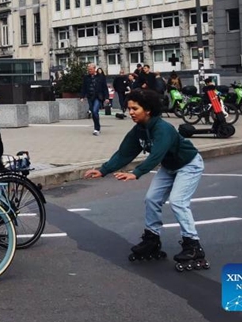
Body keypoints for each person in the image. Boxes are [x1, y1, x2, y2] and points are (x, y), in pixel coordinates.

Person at [83, 89, 207, 268]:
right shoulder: (139, 130)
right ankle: (152, 240)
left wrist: (136, 172)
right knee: (151, 199)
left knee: (178, 201)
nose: (130, 112)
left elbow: (156, 155)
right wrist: (103, 170)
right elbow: (124, 153)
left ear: (147, 109)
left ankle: (193, 245)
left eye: (135, 108)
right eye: (129, 108)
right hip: (169, 166)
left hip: (189, 164)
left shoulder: (163, 129)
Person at [80, 63, 108, 136]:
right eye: (88, 69)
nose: (89, 71)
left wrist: (107, 98)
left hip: (98, 97)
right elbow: (84, 87)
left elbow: (105, 88)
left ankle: (96, 128)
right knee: (93, 113)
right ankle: (97, 125)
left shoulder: (100, 77)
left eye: (91, 69)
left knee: (95, 111)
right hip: (90, 97)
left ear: (94, 69)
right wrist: (82, 96)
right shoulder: (86, 77)